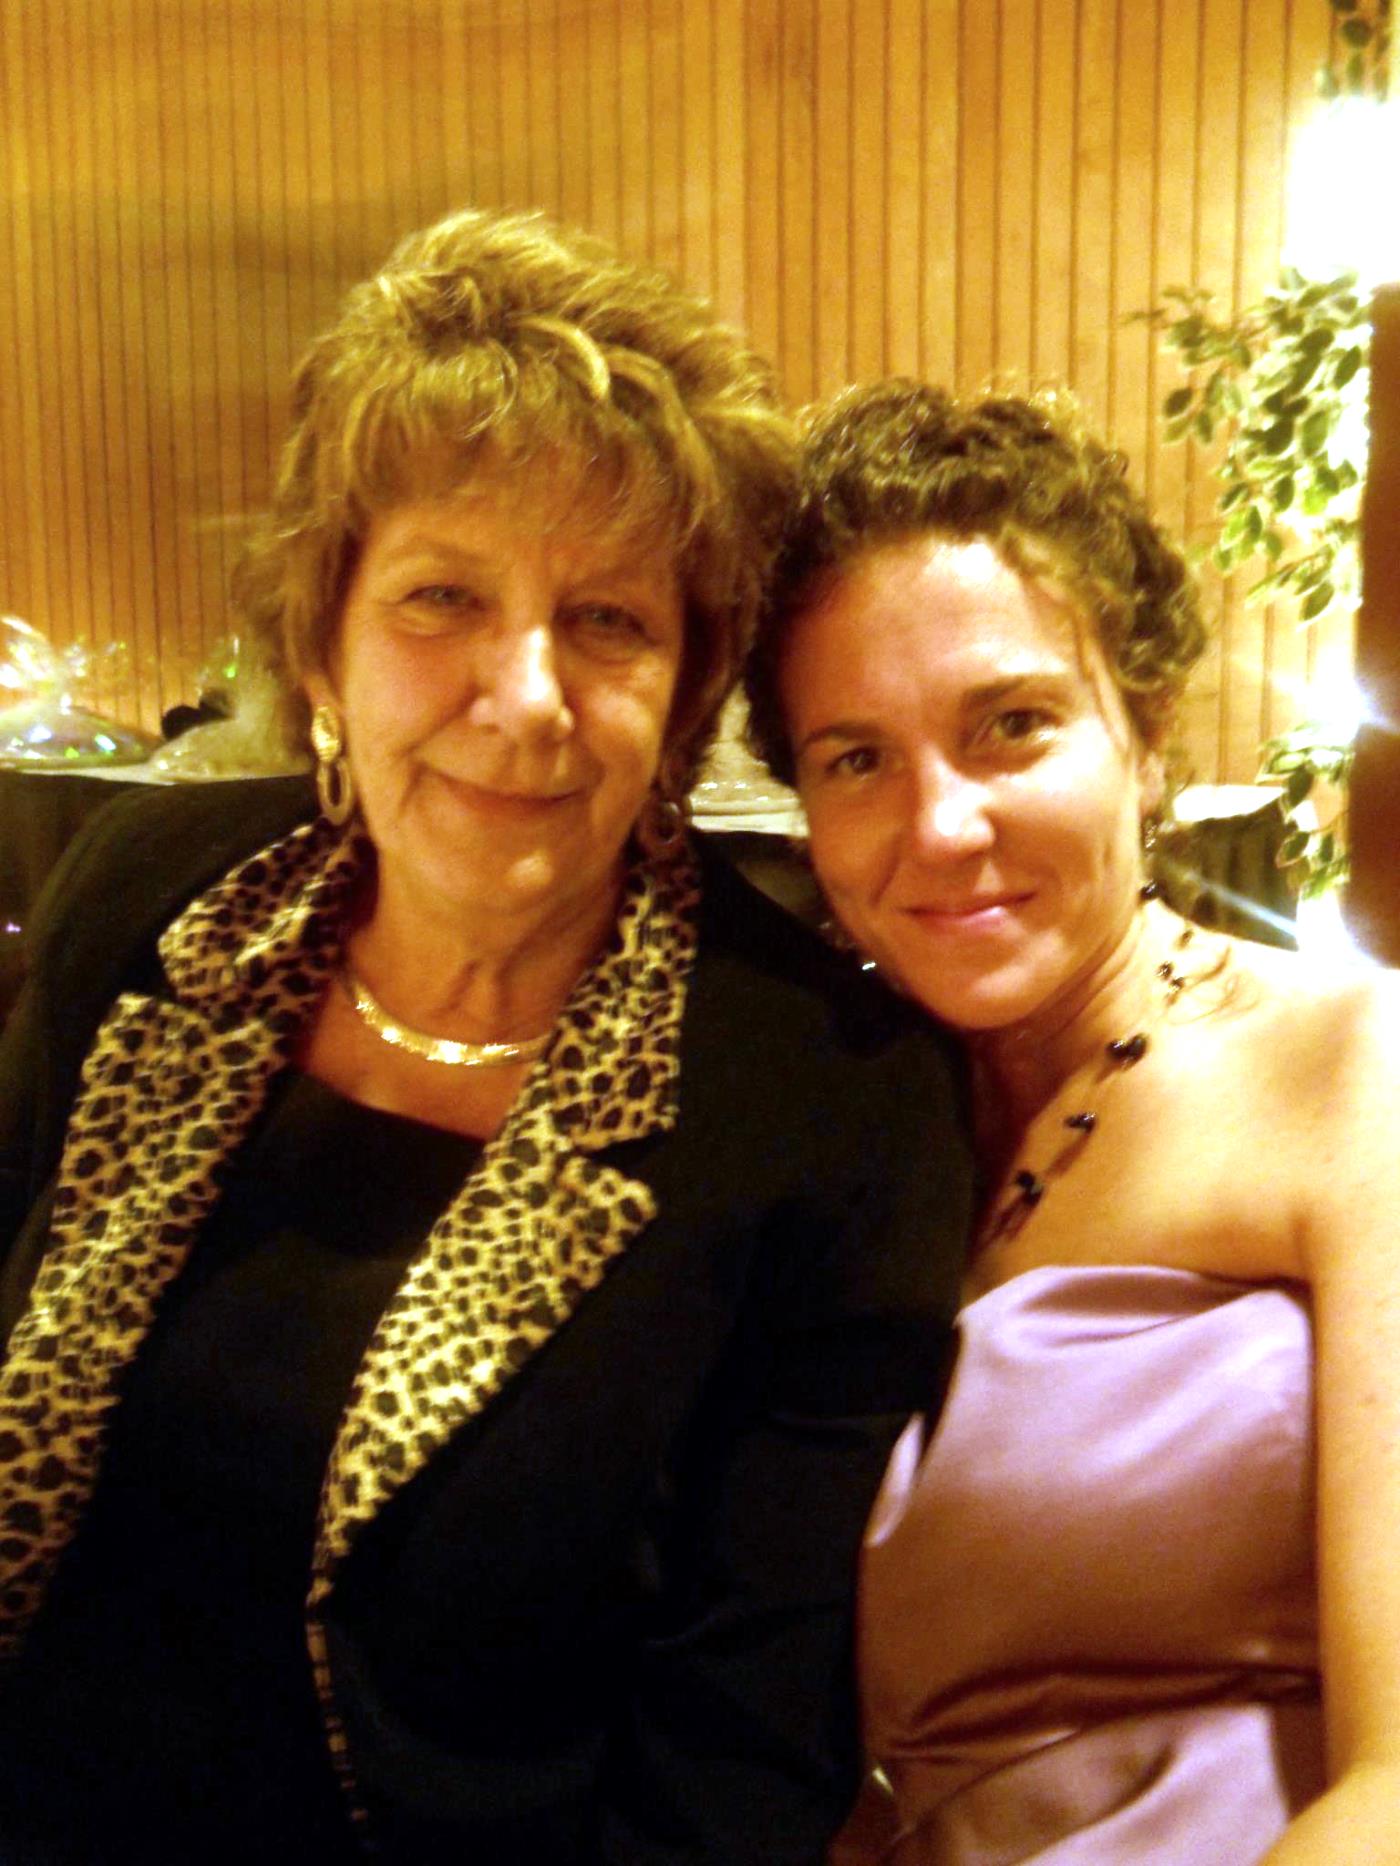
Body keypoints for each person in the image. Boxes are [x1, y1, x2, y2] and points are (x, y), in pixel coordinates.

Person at [0, 220, 972, 1866]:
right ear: (323, 641)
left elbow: (738, 1757)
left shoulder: (830, 1096)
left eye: (608, 620)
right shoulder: (152, 896)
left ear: (687, 690)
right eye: (442, 596)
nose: (523, 696)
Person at [745, 380, 1400, 1864]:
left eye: (1012, 725)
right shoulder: (824, 1132)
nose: (941, 827)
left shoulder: (1358, 1073)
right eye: (857, 757)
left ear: (1146, 736)